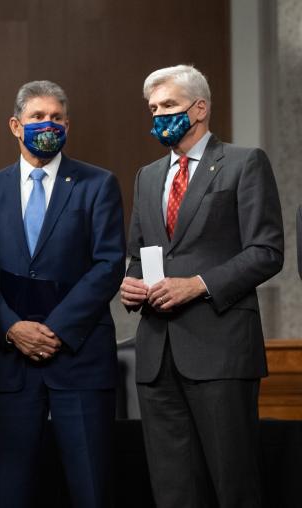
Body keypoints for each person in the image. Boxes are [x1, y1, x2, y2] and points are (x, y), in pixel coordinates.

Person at [119, 65, 283, 507]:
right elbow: (138, 254)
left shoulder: (245, 163)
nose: (159, 116)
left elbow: (266, 251)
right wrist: (130, 284)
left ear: (200, 108)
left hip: (221, 350)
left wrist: (198, 284)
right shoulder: (147, 176)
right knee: (173, 490)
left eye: (169, 106)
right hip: (156, 356)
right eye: (153, 109)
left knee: (234, 485)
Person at [0, 80, 125, 508]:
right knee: (12, 491)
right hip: (10, 361)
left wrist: (53, 330)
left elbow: (108, 264)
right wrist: (14, 328)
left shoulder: (98, 184)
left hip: (79, 356)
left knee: (91, 488)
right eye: (38, 117)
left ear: (68, 124)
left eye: (56, 117)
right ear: (15, 126)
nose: (48, 124)